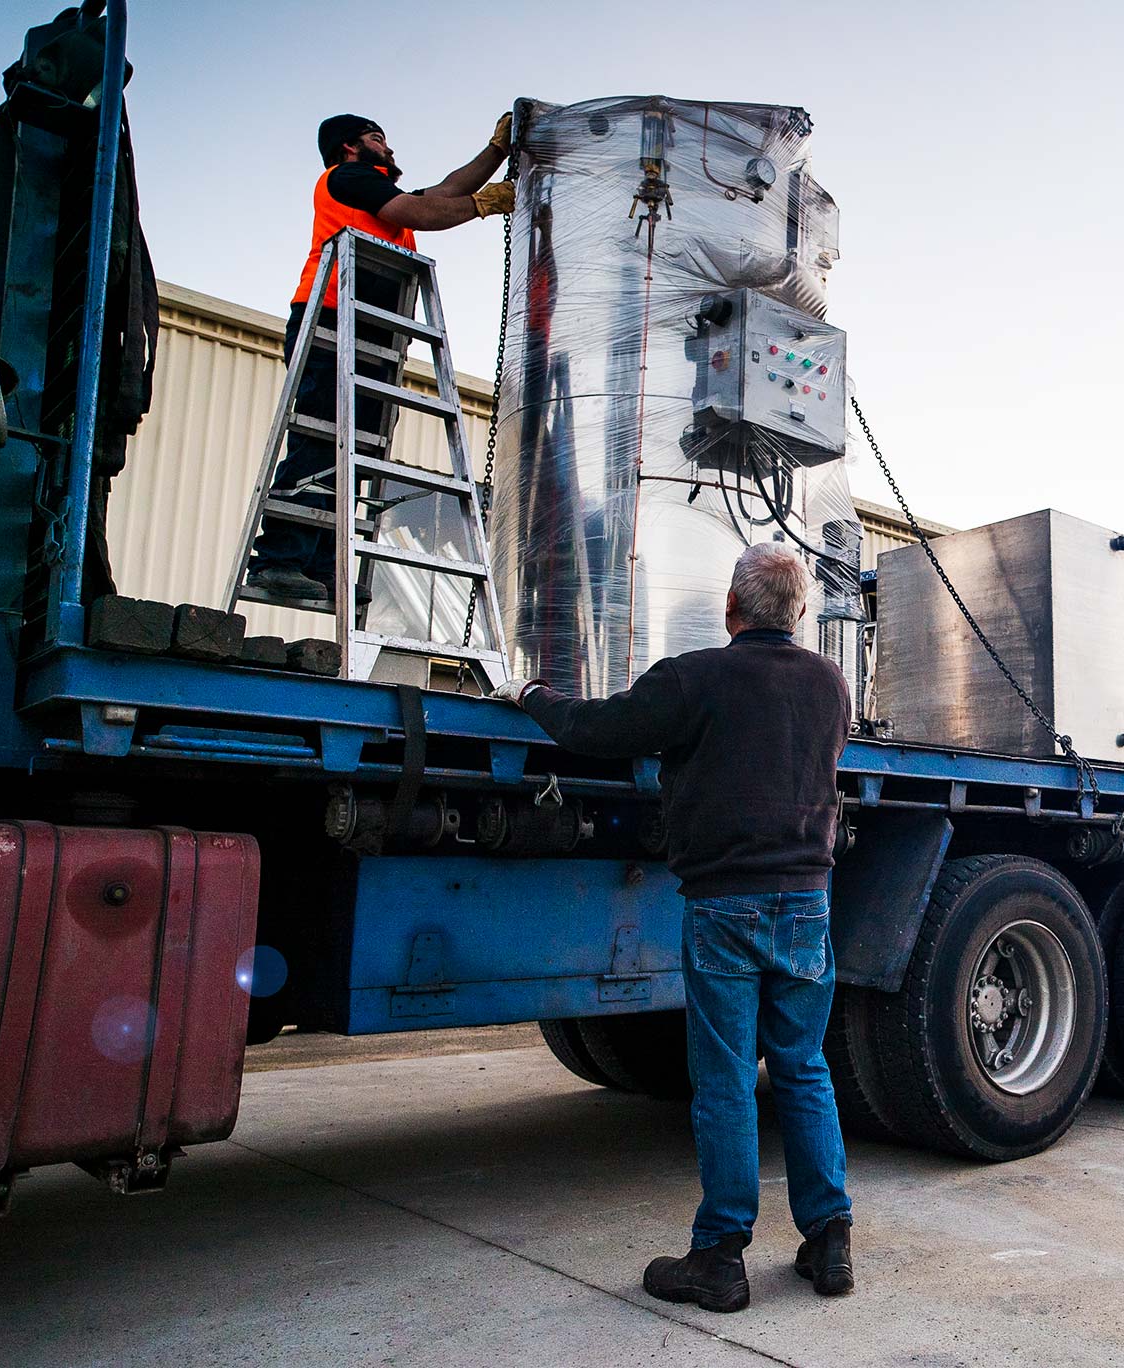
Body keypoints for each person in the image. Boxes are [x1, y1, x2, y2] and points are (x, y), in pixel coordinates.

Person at [496, 543, 856, 1313]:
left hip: (724, 901)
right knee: (803, 1067)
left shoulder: (694, 678)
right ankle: (830, 1240)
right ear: (799, 615)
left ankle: (720, 1256)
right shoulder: (833, 685)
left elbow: (599, 728)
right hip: (806, 902)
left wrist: (530, 692)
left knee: (724, 1078)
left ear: (731, 610)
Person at [244, 113, 518, 604]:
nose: (388, 149)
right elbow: (425, 213)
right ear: (349, 147)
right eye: (377, 139)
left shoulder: (379, 193)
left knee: (357, 454)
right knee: (318, 441)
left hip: (371, 334)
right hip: (331, 323)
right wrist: (484, 205)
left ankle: (321, 566)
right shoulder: (346, 179)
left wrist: (495, 151)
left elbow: (442, 193)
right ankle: (278, 561)